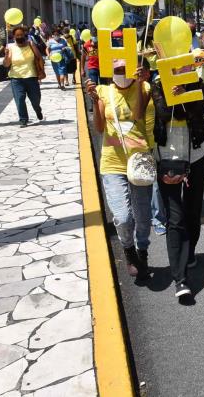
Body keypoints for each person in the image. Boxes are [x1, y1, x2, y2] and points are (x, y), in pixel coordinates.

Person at [85, 60, 155, 280]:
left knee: (143, 215)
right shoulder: (103, 91)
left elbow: (138, 116)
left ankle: (142, 249)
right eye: (116, 70)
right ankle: (128, 249)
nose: (121, 73)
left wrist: (142, 83)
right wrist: (95, 102)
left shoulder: (144, 87)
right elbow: (98, 128)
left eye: (125, 69)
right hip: (112, 163)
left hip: (140, 162)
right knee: (123, 217)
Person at [151, 74, 204, 298]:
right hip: (168, 158)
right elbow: (164, 113)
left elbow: (199, 110)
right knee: (175, 218)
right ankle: (180, 279)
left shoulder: (198, 84)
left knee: (193, 212)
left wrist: (185, 93)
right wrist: (171, 95)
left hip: (196, 157)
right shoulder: (156, 84)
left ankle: (190, 251)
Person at [3, 26, 45, 127]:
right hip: (16, 78)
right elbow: (6, 64)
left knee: (35, 99)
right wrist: (6, 55)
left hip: (31, 76)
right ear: (14, 36)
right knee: (20, 99)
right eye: (17, 35)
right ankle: (23, 119)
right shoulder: (11, 47)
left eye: (21, 35)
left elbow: (39, 57)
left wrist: (41, 71)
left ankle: (37, 109)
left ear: (25, 35)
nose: (19, 37)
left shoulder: (30, 44)